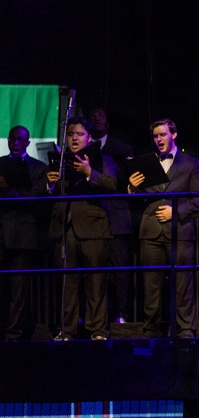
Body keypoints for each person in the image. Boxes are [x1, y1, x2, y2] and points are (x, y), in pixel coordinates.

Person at [129, 119, 199, 339]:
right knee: (151, 284)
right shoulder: (147, 161)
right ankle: (150, 329)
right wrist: (132, 188)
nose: (159, 140)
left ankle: (186, 330)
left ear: (174, 134)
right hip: (151, 229)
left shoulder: (191, 163)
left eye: (162, 135)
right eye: (155, 136)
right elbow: (139, 196)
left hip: (180, 229)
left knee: (183, 283)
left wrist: (177, 211)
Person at [47, 116, 118, 341]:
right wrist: (50, 183)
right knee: (68, 285)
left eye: (79, 134)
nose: (74, 138)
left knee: (96, 285)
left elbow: (112, 185)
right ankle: (67, 331)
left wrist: (89, 172)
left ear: (88, 137)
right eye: (70, 134)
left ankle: (98, 332)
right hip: (67, 229)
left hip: (94, 230)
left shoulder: (102, 159)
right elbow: (51, 194)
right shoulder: (61, 161)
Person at [0, 126, 49, 341]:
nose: (16, 142)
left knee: (19, 288)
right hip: (2, 232)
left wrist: (8, 189)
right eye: (13, 138)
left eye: (21, 139)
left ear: (28, 143)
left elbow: (36, 197)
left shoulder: (38, 167)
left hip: (22, 235)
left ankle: (14, 331)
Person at [88, 108, 135, 325]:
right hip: (91, 215)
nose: (97, 119)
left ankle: (120, 312)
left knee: (119, 269)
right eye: (93, 116)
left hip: (117, 215)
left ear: (108, 122)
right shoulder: (84, 149)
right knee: (94, 268)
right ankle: (96, 315)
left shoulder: (121, 148)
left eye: (101, 115)